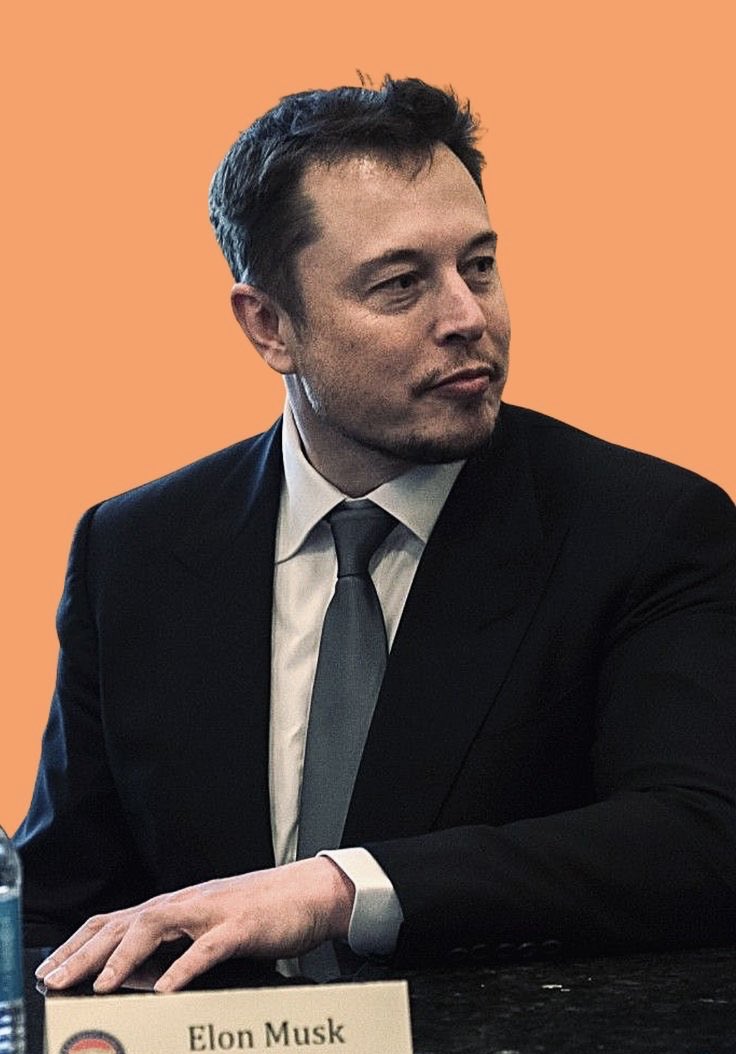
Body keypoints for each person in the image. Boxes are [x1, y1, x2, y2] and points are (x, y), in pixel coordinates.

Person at [17, 78, 736, 996]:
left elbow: (701, 837)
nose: (468, 318)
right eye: (401, 284)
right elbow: (59, 909)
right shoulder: (133, 549)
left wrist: (341, 888)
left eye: (479, 266)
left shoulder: (647, 526)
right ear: (270, 325)